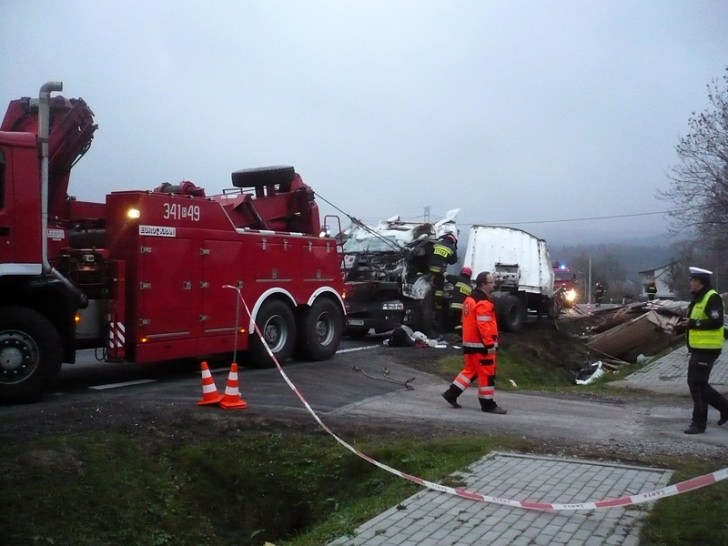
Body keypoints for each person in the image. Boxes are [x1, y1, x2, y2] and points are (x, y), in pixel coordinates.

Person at [441, 271, 507, 414]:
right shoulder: (483, 302)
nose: (493, 284)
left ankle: (451, 394)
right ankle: (487, 404)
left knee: (470, 371)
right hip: (481, 345)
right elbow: (484, 326)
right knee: (487, 374)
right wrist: (489, 344)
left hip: (470, 343)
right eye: (491, 282)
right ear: (483, 284)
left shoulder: (469, 300)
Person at [679, 266, 728, 434]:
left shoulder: (711, 298)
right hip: (699, 348)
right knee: (696, 383)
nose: (690, 284)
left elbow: (717, 322)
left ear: (700, 282)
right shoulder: (699, 298)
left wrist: (693, 324)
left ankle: (699, 423)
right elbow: (695, 321)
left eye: (692, 281)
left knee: (698, 385)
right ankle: (724, 408)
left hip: (708, 348)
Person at [427, 226, 458, 333]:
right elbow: (453, 261)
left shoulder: (436, 244)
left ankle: (432, 296)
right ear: (452, 241)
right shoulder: (451, 248)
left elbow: (428, 253)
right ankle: (438, 304)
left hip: (429, 269)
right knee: (439, 289)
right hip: (440, 270)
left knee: (432, 283)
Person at [445, 266, 473, 332]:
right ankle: (458, 334)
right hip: (464, 308)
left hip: (455, 306)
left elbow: (449, 277)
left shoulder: (458, 279)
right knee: (459, 323)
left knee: (452, 321)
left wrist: (444, 273)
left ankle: (452, 333)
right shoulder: (470, 286)